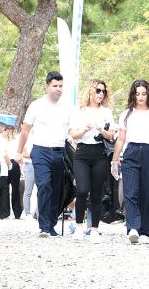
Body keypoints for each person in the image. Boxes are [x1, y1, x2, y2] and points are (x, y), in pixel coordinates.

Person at [16, 72, 71, 238]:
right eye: (55, 86)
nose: (58, 89)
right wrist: (19, 151)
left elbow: (72, 131)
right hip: (40, 151)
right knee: (44, 185)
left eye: (61, 86)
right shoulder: (36, 105)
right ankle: (44, 225)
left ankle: (52, 224)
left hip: (60, 151)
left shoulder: (67, 107)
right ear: (47, 87)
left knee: (56, 188)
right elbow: (25, 130)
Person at [110, 80, 149, 244]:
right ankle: (133, 227)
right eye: (137, 93)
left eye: (143, 93)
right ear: (133, 95)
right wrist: (114, 160)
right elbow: (121, 139)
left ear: (148, 94)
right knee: (130, 191)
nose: (140, 97)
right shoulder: (127, 114)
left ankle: (147, 232)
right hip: (131, 151)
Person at [68, 79, 115, 240]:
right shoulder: (79, 111)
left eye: (103, 91)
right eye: (98, 91)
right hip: (82, 152)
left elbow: (111, 135)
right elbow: (73, 134)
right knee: (82, 190)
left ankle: (94, 228)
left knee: (97, 193)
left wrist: (101, 129)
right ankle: (79, 225)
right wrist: (84, 129)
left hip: (100, 153)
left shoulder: (106, 112)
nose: (101, 94)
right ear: (90, 91)